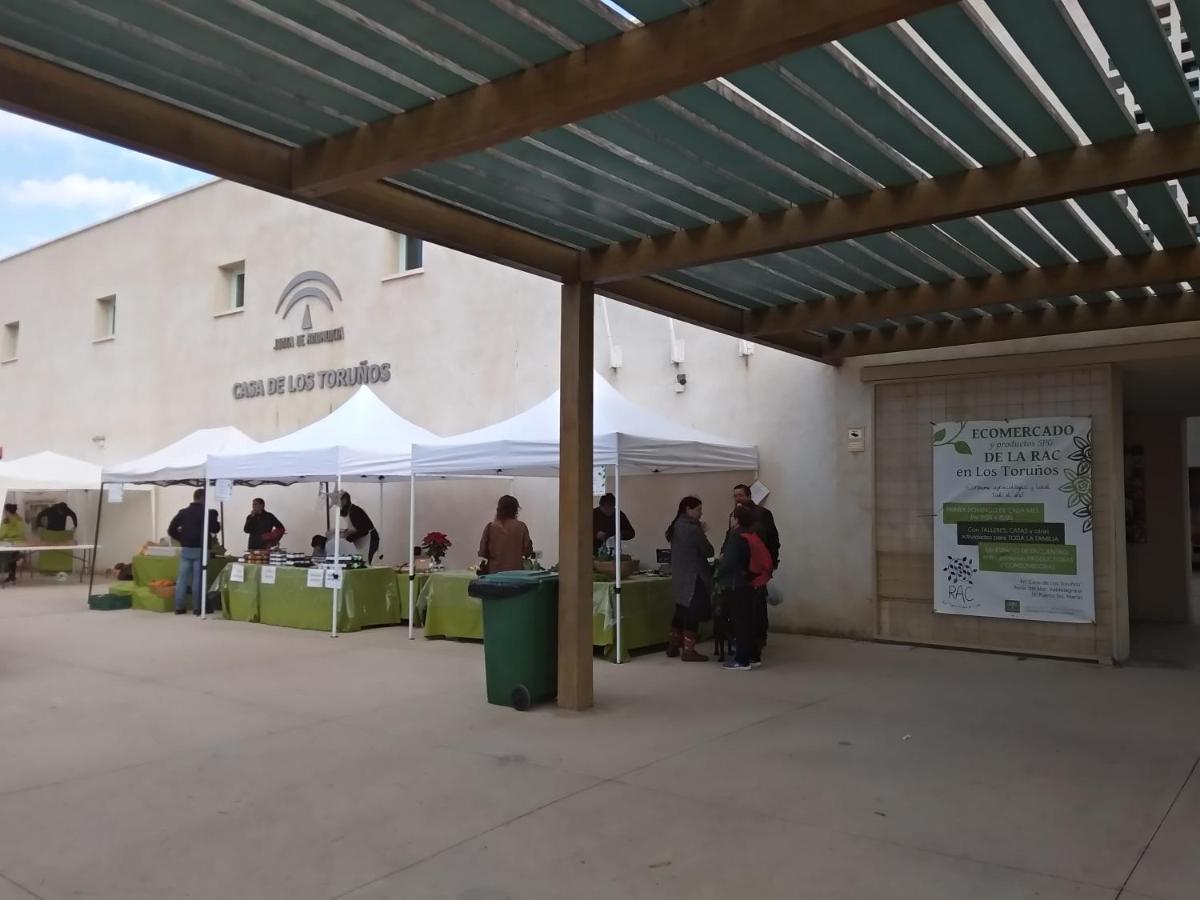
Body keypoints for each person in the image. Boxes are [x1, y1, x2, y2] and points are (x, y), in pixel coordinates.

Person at [732, 483, 780, 660]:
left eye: (741, 495)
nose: (737, 499)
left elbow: (773, 540)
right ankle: (747, 641)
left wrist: (773, 563)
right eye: (735, 496)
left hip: (759, 567)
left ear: (749, 495)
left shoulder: (763, 515)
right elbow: (729, 537)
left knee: (758, 605)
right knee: (745, 607)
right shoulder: (734, 515)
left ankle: (759, 638)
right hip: (742, 568)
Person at [665, 496, 713, 662]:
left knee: (680, 610)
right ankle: (688, 650)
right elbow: (709, 551)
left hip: (679, 576)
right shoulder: (694, 529)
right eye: (698, 509)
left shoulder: (675, 526)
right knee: (693, 612)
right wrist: (703, 531)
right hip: (694, 576)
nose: (701, 513)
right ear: (688, 509)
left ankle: (672, 645)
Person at [717, 504, 759, 671]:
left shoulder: (736, 535)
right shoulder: (751, 533)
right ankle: (754, 656)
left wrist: (719, 570)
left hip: (735, 583)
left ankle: (741, 660)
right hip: (748, 582)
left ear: (736, 519)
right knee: (748, 620)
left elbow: (729, 562)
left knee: (738, 622)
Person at [167, 488, 220, 616]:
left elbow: (171, 530)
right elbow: (215, 529)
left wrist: (182, 539)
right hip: (201, 548)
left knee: (182, 579)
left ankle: (179, 607)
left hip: (186, 548)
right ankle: (198, 607)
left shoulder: (183, 512)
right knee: (198, 579)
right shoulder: (207, 513)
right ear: (203, 498)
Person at [478, 494, 533, 574]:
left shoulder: (490, 527)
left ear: (499, 509)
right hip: (516, 574)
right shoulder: (521, 526)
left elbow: (482, 552)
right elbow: (528, 551)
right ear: (515, 510)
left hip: (494, 574)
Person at [339, 492, 379, 564]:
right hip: (362, 540)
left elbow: (363, 530)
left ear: (344, 500)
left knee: (365, 562)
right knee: (360, 562)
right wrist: (345, 532)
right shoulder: (350, 510)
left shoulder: (354, 511)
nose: (339, 506)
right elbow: (355, 527)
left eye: (339, 502)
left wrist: (348, 539)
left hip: (370, 539)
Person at [1, 503, 26, 584]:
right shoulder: (19, 519)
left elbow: (2, 534)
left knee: (6, 555)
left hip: (13, 544)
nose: (5, 513)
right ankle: (11, 576)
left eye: (5, 512)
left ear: (7, 511)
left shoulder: (10, 521)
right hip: (15, 543)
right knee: (9, 556)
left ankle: (11, 575)